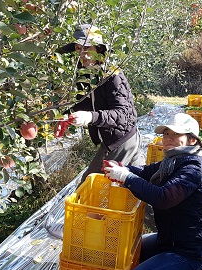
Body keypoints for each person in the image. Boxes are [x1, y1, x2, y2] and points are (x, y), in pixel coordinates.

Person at [103, 113, 202, 270]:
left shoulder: (193, 167)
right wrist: (124, 169)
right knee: (130, 248)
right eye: (166, 134)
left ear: (192, 140)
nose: (168, 138)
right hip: (169, 239)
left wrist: (127, 178)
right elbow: (145, 171)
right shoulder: (172, 161)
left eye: (176, 134)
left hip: (189, 253)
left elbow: (164, 198)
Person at [58, 24, 144, 182]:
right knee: (136, 184)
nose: (82, 54)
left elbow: (123, 114)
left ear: (98, 49)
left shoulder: (112, 75)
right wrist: (66, 115)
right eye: (78, 48)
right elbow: (83, 102)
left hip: (121, 138)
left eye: (87, 48)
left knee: (91, 185)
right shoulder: (84, 74)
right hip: (112, 137)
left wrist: (90, 117)